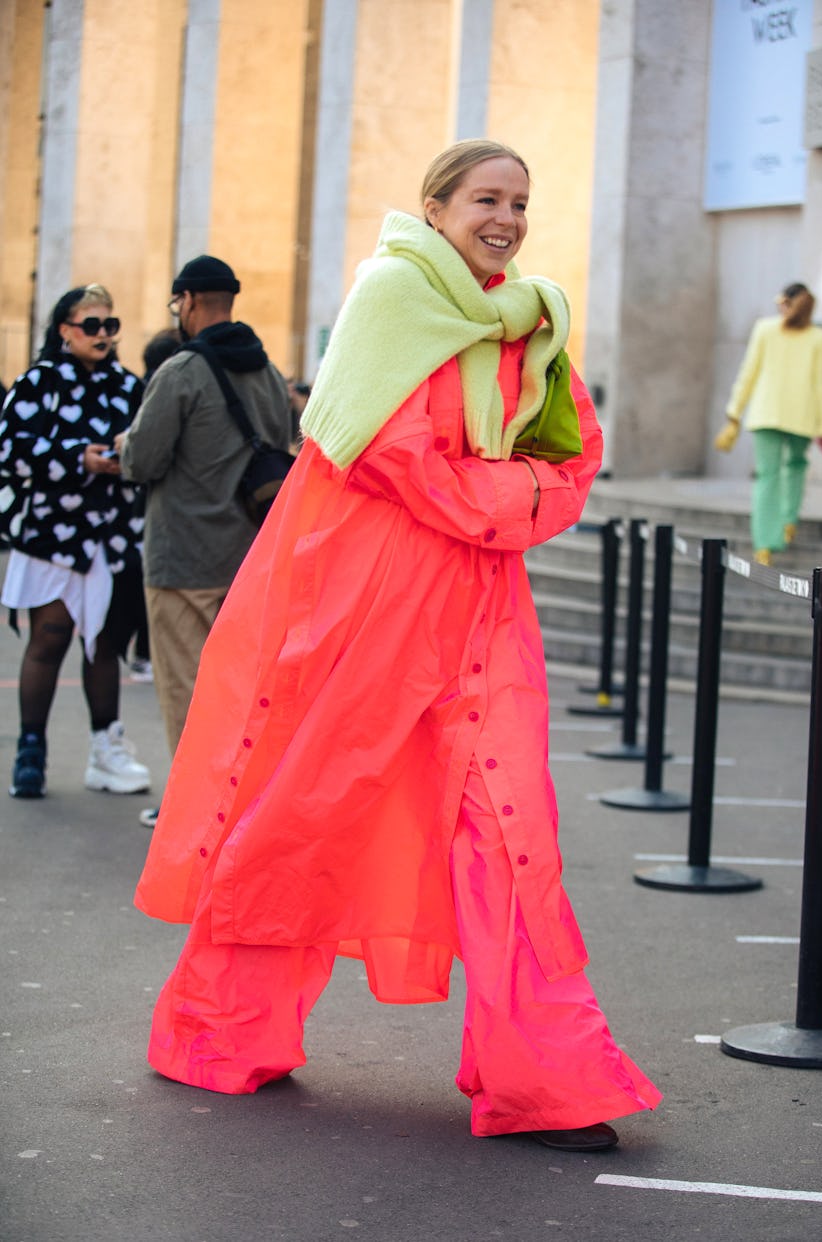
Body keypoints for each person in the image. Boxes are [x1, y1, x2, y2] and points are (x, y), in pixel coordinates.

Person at [134, 140, 661, 1152]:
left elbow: (573, 453)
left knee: (511, 832)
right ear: (435, 207)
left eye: (520, 200)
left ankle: (547, 1080)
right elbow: (395, 458)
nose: (505, 217)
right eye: (485, 199)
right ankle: (218, 1028)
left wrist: (509, 500)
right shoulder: (392, 298)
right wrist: (515, 499)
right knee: (303, 814)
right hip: (365, 608)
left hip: (481, 611)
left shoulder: (529, 319)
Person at [115, 257, 292, 826]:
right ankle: (239, 804)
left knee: (187, 692)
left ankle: (194, 813)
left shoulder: (181, 371)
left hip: (182, 557)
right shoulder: (266, 372)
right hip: (248, 558)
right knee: (241, 690)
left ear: (187, 301)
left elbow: (141, 459)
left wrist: (119, 450)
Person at [0, 284, 151, 798]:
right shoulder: (37, 383)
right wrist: (76, 458)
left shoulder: (128, 387)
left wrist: (121, 458)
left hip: (109, 536)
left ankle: (105, 750)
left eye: (110, 325)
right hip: (51, 534)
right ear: (65, 330)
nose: (104, 335)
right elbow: (11, 452)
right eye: (92, 325)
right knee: (50, 637)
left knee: (104, 644)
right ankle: (31, 750)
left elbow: (149, 447)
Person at [714, 282, 822, 564]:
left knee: (767, 476)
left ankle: (764, 543)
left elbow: (748, 372)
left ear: (786, 303)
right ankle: (788, 521)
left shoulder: (765, 329)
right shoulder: (818, 338)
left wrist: (734, 413)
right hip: (802, 415)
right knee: (796, 466)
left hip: (766, 413)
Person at [127, 329, 185, 685]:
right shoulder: (169, 384)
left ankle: (142, 654)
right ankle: (144, 655)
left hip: (143, 515)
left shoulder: (147, 388)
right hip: (162, 519)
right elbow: (145, 458)